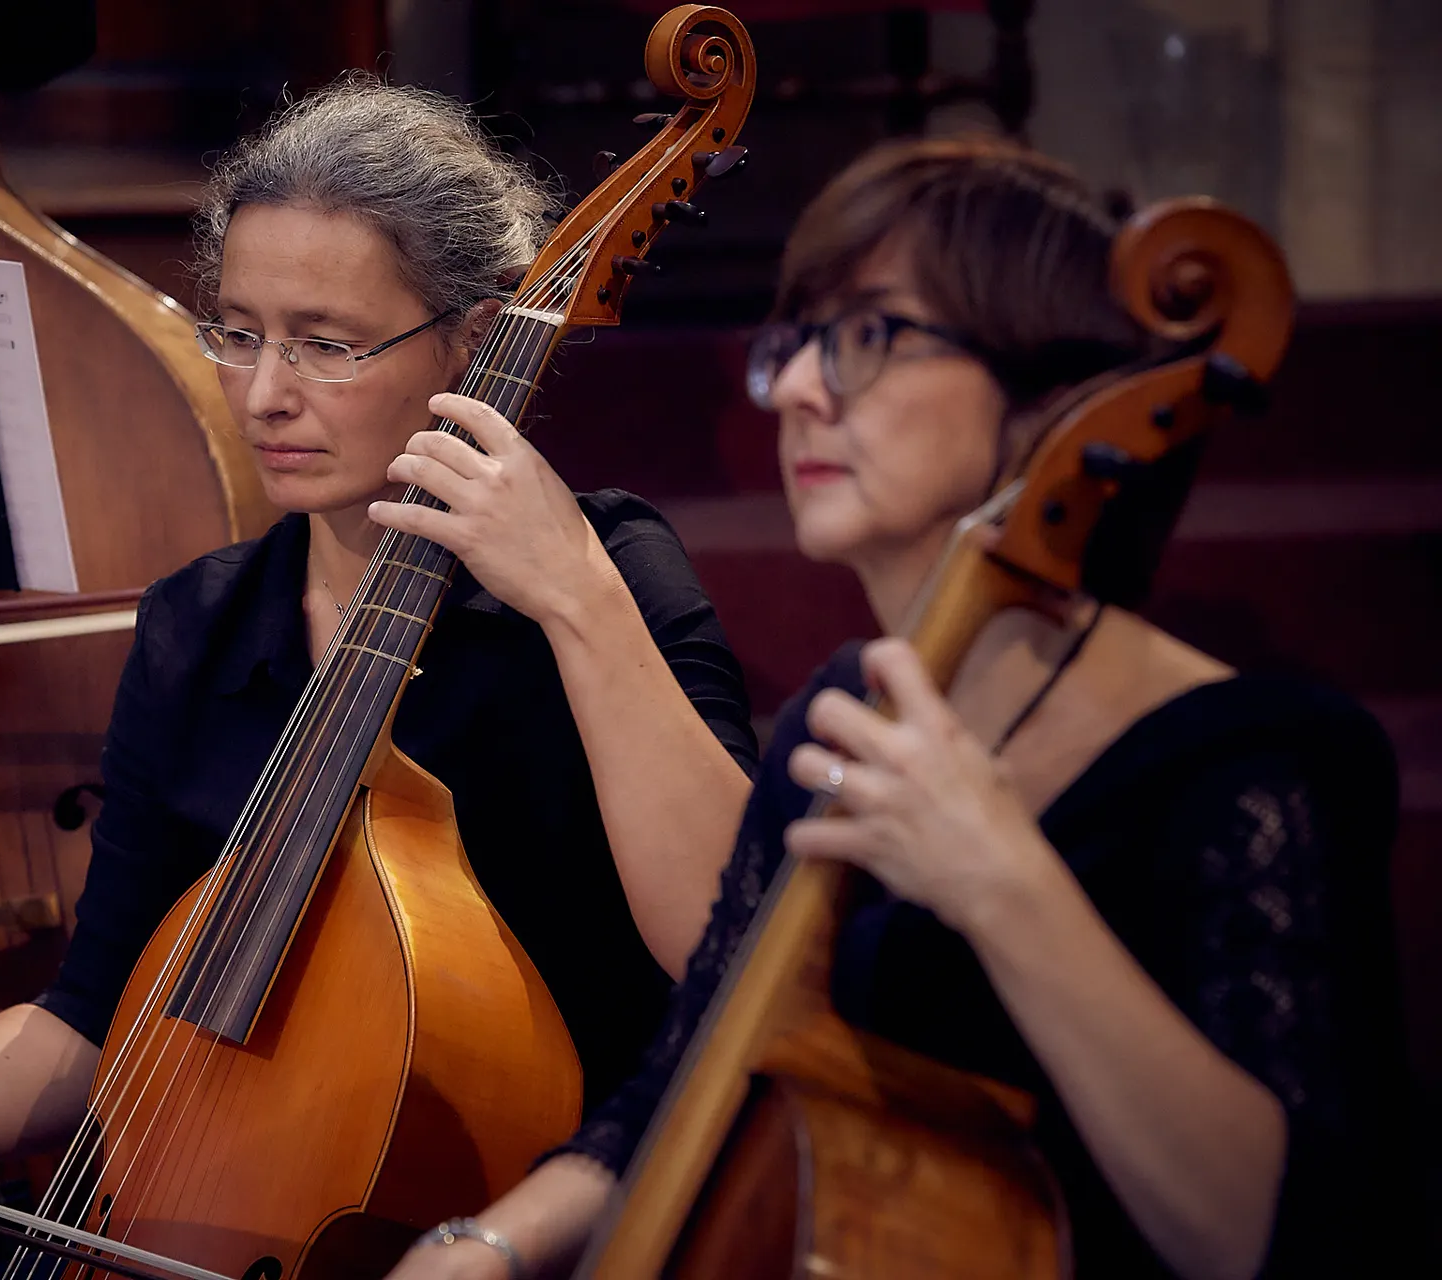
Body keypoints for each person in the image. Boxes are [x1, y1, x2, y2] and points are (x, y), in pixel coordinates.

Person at [386, 137, 1409, 1280]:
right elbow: (694, 1069)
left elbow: (1298, 1237)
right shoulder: (845, 713)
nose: (802, 389)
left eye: (873, 334)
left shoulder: (1254, 760)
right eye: (799, 339)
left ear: (1046, 399)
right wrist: (480, 1246)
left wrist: (1002, 881)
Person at [0, 77, 759, 1171]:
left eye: (327, 344)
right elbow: (94, 1019)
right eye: (240, 333)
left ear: (474, 342)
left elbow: (736, 941)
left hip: (563, 1200)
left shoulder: (610, 572)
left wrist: (578, 600)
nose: (263, 395)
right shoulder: (197, 626)